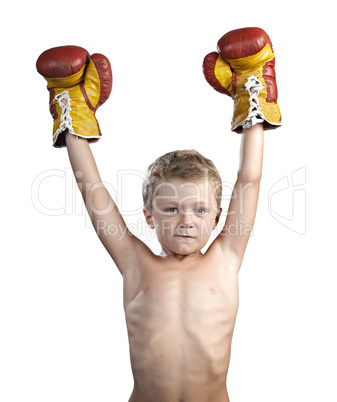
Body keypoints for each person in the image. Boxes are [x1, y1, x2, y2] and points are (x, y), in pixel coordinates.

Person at [36, 27, 281, 402]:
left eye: (200, 209)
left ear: (218, 217)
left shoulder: (226, 256)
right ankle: (75, 106)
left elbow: (250, 177)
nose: (186, 219)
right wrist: (74, 129)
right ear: (149, 217)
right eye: (171, 209)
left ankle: (253, 93)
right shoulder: (135, 263)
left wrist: (253, 111)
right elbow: (94, 193)